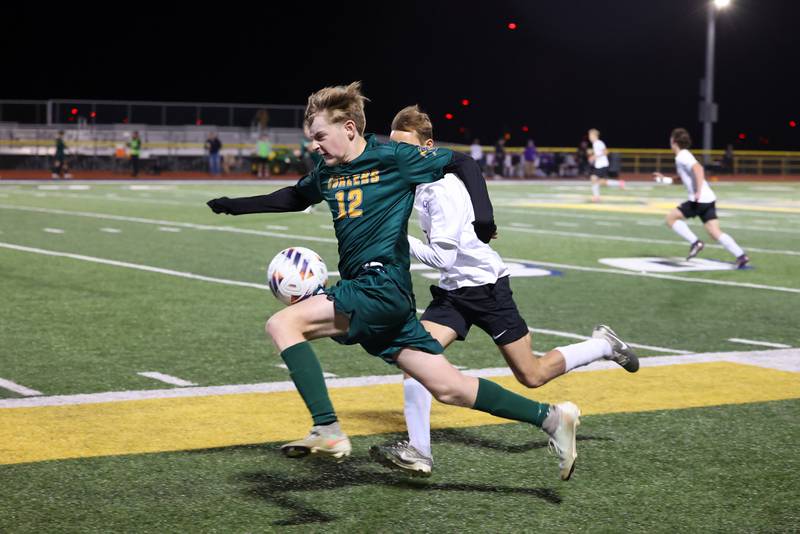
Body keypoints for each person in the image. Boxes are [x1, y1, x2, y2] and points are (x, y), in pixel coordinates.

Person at [207, 82, 581, 481]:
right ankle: (552, 418)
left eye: (319, 136)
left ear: (349, 128)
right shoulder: (328, 172)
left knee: (283, 323)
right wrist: (236, 206)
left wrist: (483, 218)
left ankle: (327, 429)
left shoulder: (395, 157)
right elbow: (294, 197)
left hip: (378, 286)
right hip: (389, 300)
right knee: (450, 388)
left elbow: (464, 163)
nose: (314, 145)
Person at [369, 105, 639, 477]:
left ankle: (604, 345)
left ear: (428, 146)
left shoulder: (441, 190)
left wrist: (396, 239)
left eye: (407, 147)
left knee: (532, 374)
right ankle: (420, 451)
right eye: (395, 147)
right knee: (415, 361)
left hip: (485, 288)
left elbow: (443, 258)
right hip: (453, 293)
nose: (399, 154)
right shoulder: (420, 182)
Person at [655, 128, 749, 268]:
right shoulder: (684, 155)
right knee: (714, 232)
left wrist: (697, 192)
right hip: (708, 199)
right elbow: (682, 179)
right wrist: (664, 180)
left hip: (698, 200)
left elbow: (698, 169)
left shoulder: (682, 156)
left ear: (674, 141)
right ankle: (741, 256)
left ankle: (695, 242)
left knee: (671, 218)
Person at [588, 128, 624, 202]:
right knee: (600, 181)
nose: (589, 137)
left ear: (594, 135)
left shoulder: (598, 142)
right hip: (599, 165)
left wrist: (595, 157)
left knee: (594, 178)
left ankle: (596, 197)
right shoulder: (595, 143)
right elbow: (599, 153)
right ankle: (619, 183)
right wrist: (593, 156)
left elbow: (606, 152)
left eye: (590, 135)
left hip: (602, 165)